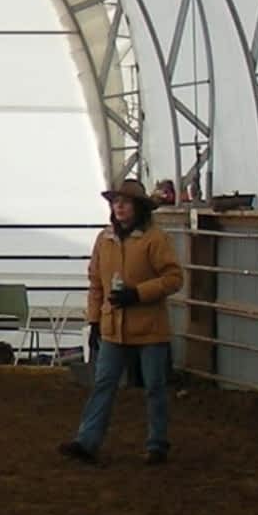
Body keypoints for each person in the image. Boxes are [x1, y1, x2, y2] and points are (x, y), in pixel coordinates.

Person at [59, 178, 185, 466]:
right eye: (116, 202)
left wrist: (138, 294)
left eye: (125, 202)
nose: (119, 207)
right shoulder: (105, 240)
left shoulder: (155, 239)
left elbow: (174, 278)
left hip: (147, 328)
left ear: (138, 208)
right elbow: (96, 283)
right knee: (104, 383)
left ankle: (156, 443)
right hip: (114, 326)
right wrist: (94, 320)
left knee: (153, 387)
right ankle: (87, 440)